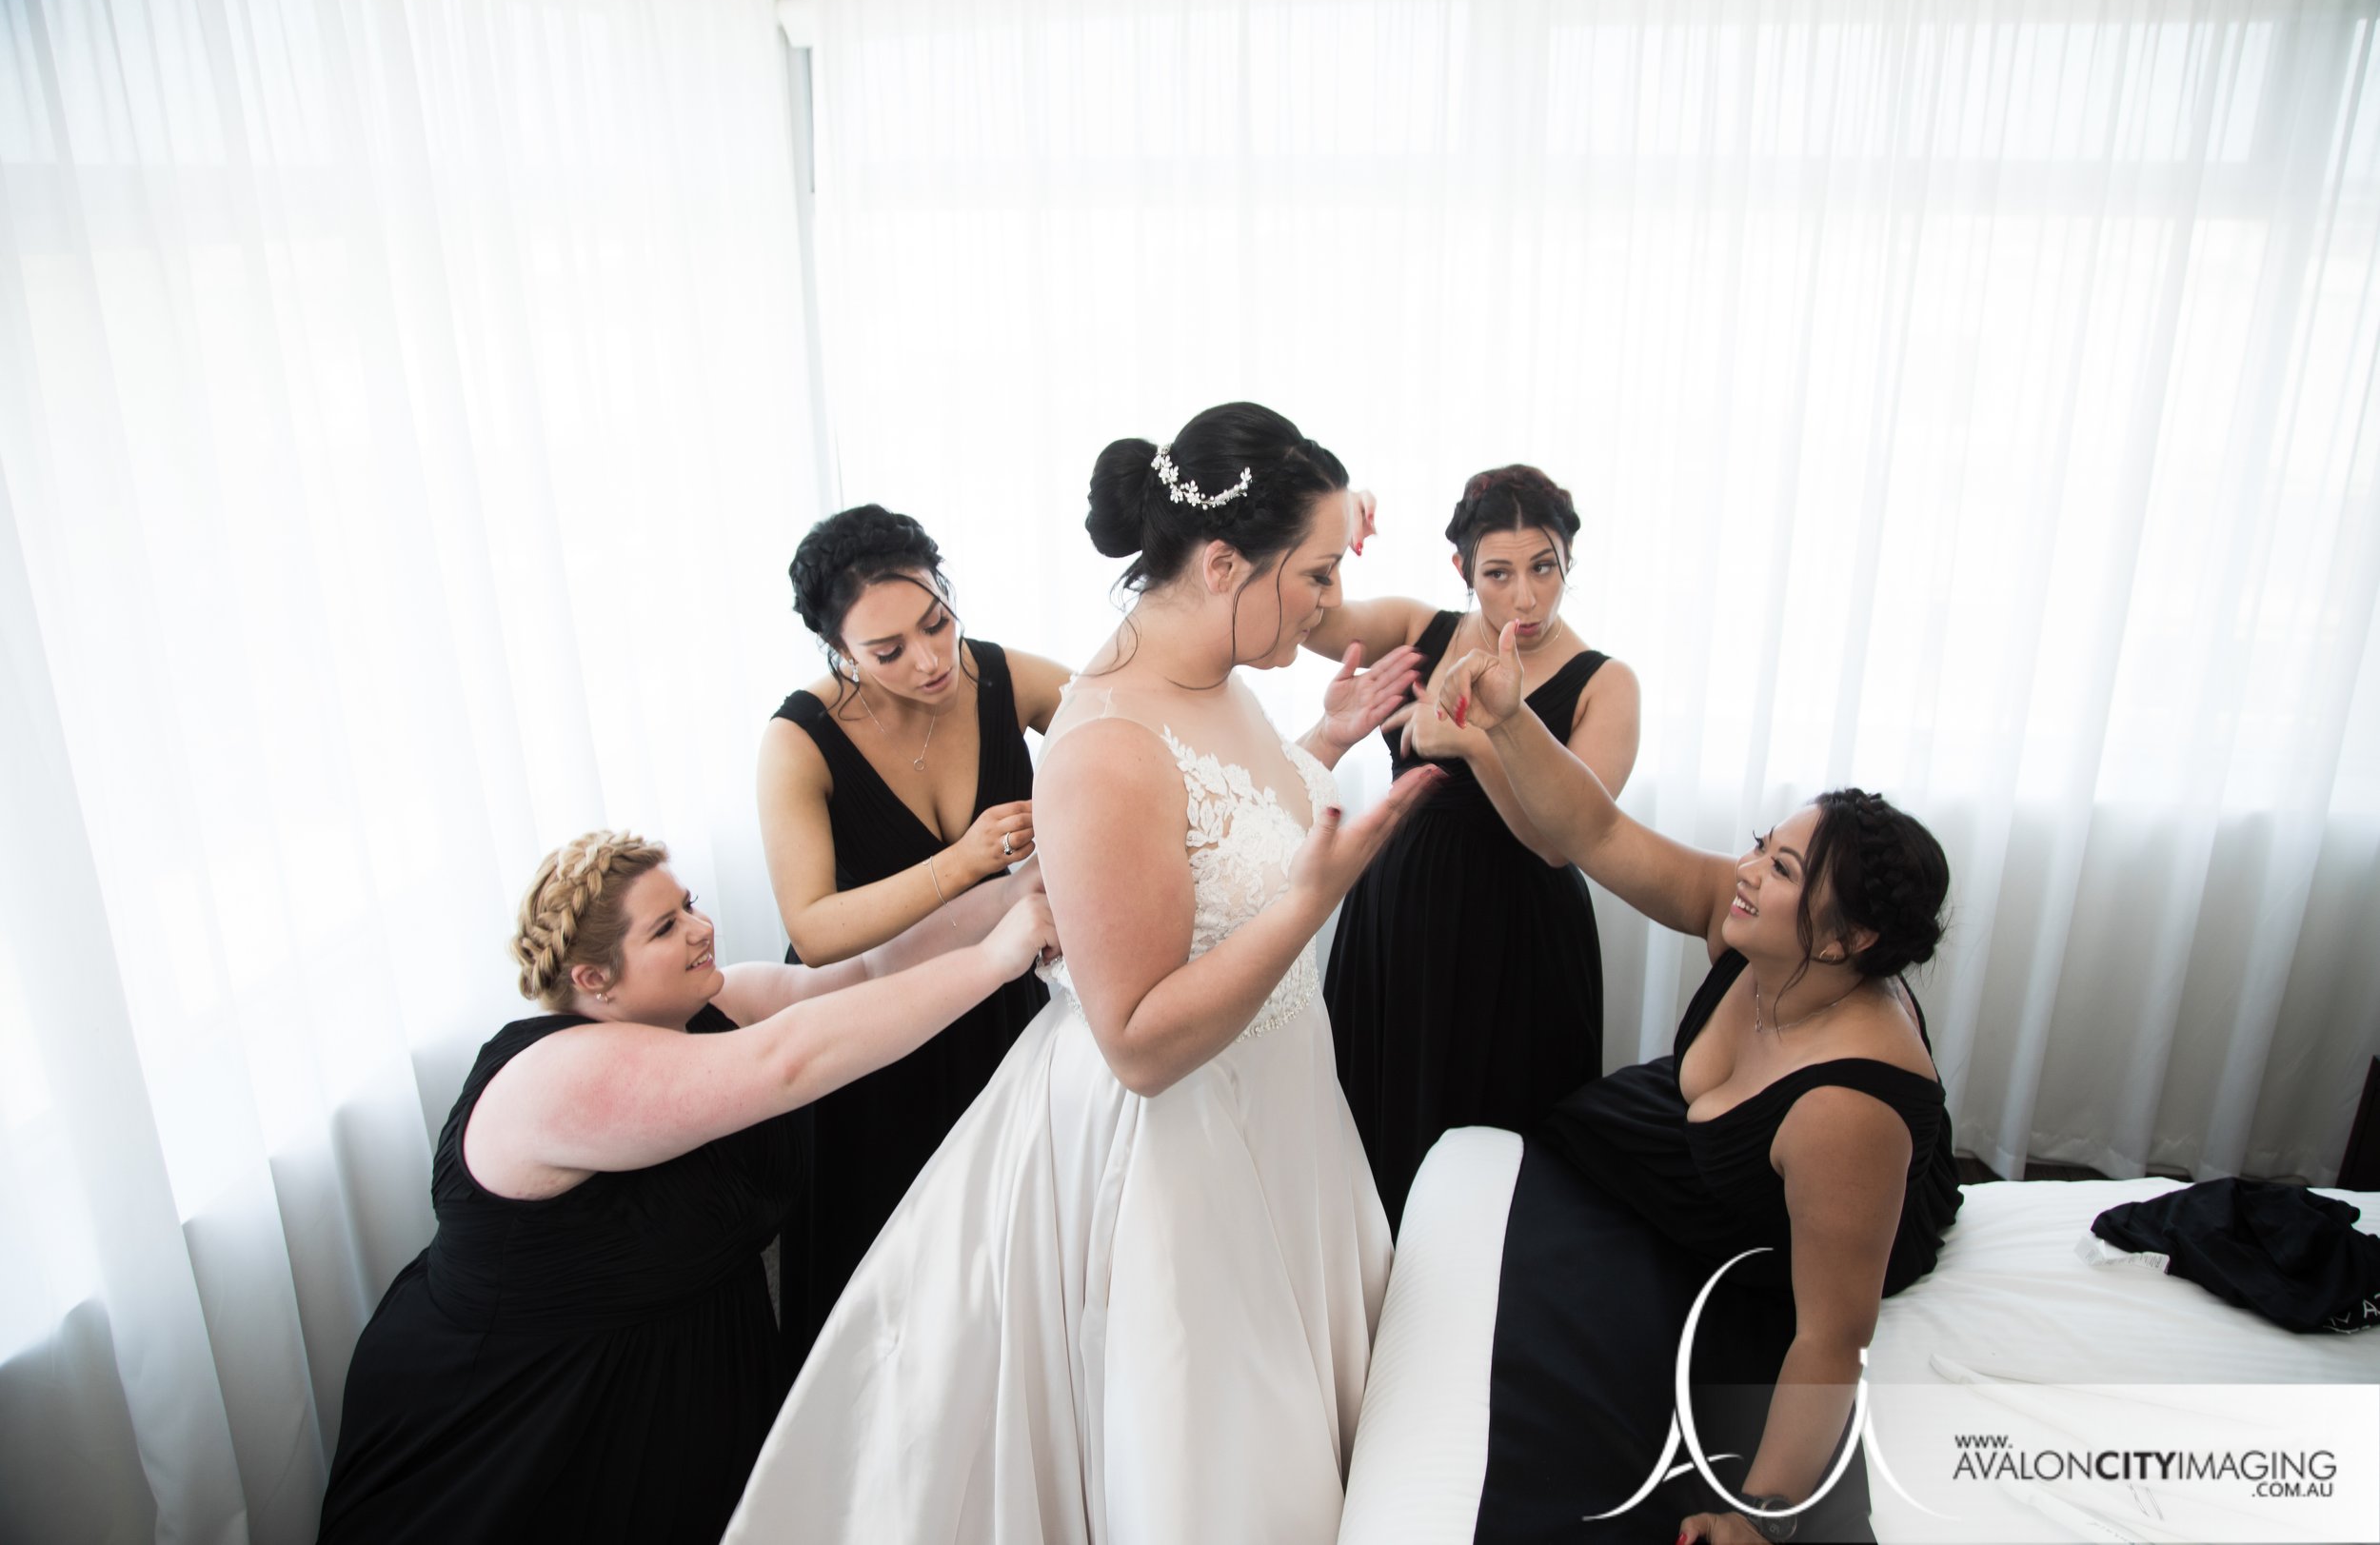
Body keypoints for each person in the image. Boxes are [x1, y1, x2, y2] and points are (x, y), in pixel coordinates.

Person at [724, 402, 1436, 1545]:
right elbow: (1142, 1044)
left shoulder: (1219, 670)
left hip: (1279, 1106)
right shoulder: (1106, 741)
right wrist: (1316, 895)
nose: (1326, 602)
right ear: (1220, 563)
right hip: (1181, 1150)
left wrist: (1323, 743)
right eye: (1311, 573)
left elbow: (1219, 842)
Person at [317, 830, 1056, 1545]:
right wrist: (995, 960)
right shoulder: (557, 1076)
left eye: (692, 904)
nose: (703, 928)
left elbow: (861, 976)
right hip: (522, 1418)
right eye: (668, 927)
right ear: (592, 979)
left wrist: (1017, 893)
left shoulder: (712, 1005)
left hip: (694, 1387)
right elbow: (784, 1063)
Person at [1421, 624, 1960, 1543]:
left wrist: (1767, 1514)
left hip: (1825, 1213)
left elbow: (1833, 1336)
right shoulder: (1751, 922)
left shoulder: (1847, 1112)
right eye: (1764, 845)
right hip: (1702, 1148)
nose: (1746, 872)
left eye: (1781, 870)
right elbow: (1594, 829)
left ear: (1846, 942)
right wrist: (1509, 721)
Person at [758, 504, 1072, 1360]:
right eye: (887, 652)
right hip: (875, 1028)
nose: (930, 660)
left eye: (937, 622)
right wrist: (966, 861)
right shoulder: (800, 741)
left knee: (1005, 1264)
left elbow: (1126, 743)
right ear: (838, 651)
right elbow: (814, 928)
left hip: (998, 1003)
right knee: (890, 1280)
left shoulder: (1007, 678)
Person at [1303, 463, 1639, 1228]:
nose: (1525, 596)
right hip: (1398, 919)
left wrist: (1480, 744)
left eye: (1544, 568)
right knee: (1379, 1129)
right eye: (1498, 572)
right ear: (1463, 569)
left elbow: (1559, 845)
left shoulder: (1604, 684)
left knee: (1496, 1161)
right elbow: (1304, 616)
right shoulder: (1420, 629)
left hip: (1515, 938)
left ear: (1567, 562)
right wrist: (1336, 524)